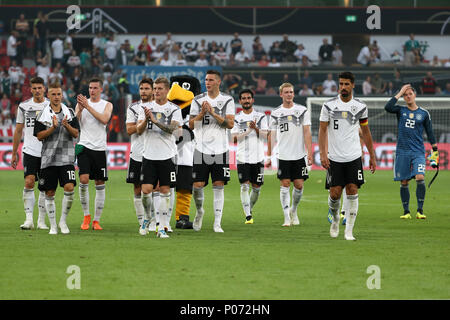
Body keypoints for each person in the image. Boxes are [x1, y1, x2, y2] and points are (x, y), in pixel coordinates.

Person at [318, 71, 376, 240]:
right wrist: (323, 153)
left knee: (352, 189)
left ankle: (349, 230)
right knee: (335, 194)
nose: (342, 87)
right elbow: (322, 130)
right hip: (335, 157)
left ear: (352, 85)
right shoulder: (328, 106)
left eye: (346, 84)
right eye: (341, 84)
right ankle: (335, 218)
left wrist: (371, 155)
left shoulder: (360, 106)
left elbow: (365, 131)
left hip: (353, 156)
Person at [189, 70, 235, 233]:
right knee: (197, 185)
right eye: (206, 80)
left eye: (211, 80)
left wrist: (213, 113)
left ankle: (217, 223)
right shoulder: (197, 100)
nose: (207, 82)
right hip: (201, 149)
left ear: (218, 82)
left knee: (218, 184)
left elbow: (230, 124)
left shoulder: (227, 100)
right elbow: (191, 125)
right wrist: (202, 113)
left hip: (220, 149)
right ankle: (200, 211)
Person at [136, 77, 182, 238]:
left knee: (165, 191)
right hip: (148, 155)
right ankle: (148, 217)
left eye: (159, 89)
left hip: (167, 156)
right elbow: (139, 130)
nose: (156, 91)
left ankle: (161, 227)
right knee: (145, 191)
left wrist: (154, 120)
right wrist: (146, 121)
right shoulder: (146, 107)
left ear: (167, 90)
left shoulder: (174, 109)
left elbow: (171, 129)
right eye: (154, 88)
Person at [385, 84, 438, 220]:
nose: (407, 96)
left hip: (418, 151)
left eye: (409, 94)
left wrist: (435, 149)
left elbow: (430, 132)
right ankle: (406, 211)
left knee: (420, 177)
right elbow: (388, 107)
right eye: (405, 95)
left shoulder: (424, 113)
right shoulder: (400, 110)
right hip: (402, 152)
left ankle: (420, 210)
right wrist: (399, 92)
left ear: (415, 95)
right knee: (404, 182)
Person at [33, 82, 79, 234]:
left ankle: (63, 222)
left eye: (59, 94)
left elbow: (76, 134)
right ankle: (52, 225)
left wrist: (66, 125)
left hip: (66, 158)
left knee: (69, 187)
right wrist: (52, 127)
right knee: (50, 192)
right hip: (49, 159)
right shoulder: (42, 115)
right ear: (48, 96)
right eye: (53, 94)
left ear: (62, 95)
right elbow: (39, 136)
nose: (56, 97)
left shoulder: (69, 112)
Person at [266, 83, 312, 227]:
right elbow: (271, 135)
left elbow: (306, 132)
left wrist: (310, 153)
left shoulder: (302, 110)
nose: (289, 94)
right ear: (281, 94)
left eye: (291, 92)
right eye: (286, 92)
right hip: (283, 155)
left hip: (299, 155)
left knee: (299, 185)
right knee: (285, 184)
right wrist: (269, 155)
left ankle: (294, 210)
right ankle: (286, 217)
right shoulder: (275, 113)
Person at [11, 77, 49, 230]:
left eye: (40, 88)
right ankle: (28, 220)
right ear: (30, 89)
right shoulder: (24, 106)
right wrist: (14, 153)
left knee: (45, 186)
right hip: (29, 150)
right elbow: (19, 130)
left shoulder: (51, 105)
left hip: (47, 151)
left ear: (44, 89)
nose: (37, 90)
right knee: (29, 182)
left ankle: (41, 221)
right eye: (34, 88)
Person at [75, 78, 113, 231]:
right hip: (84, 146)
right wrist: (80, 109)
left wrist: (88, 106)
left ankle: (96, 220)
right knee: (83, 179)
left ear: (101, 89)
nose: (92, 90)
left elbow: (104, 120)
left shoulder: (107, 104)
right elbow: (75, 122)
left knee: (99, 183)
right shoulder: (81, 104)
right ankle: (86, 216)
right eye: (90, 88)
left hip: (99, 148)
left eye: (95, 88)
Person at [231, 90, 268, 224]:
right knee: (244, 186)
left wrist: (256, 129)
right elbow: (233, 138)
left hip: (258, 157)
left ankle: (249, 208)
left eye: (248, 98)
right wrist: (248, 131)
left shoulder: (261, 116)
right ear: (240, 101)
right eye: (243, 98)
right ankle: (248, 216)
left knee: (256, 188)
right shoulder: (236, 118)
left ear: (253, 100)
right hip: (242, 157)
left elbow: (266, 136)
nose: (246, 100)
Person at [125, 78, 153, 227]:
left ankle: (155, 220)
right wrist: (144, 123)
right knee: (137, 188)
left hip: (154, 153)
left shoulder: (158, 107)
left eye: (147, 88)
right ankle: (142, 221)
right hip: (136, 153)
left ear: (153, 90)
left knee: (154, 188)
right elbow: (129, 130)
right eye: (141, 88)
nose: (143, 91)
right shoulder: (133, 108)